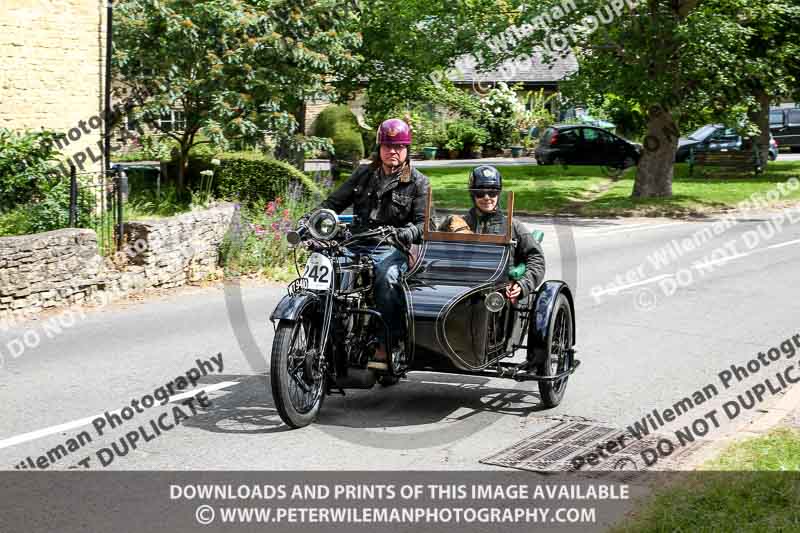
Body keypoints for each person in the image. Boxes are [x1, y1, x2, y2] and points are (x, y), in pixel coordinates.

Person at [311, 118, 430, 369]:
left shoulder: (418, 182)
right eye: (387, 146)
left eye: (398, 146)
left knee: (386, 279)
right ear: (379, 148)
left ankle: (388, 342)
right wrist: (310, 220)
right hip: (355, 242)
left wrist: (406, 234)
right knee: (328, 273)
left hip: (392, 247)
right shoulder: (364, 174)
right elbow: (333, 204)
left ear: (407, 149)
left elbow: (423, 225)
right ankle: (327, 335)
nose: (393, 151)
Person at [459, 165, 545, 303]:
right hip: (464, 289)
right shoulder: (459, 224)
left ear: (499, 193)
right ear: (472, 194)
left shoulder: (513, 226)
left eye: (492, 192)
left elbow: (536, 259)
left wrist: (522, 284)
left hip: (500, 293)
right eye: (480, 192)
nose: (487, 197)